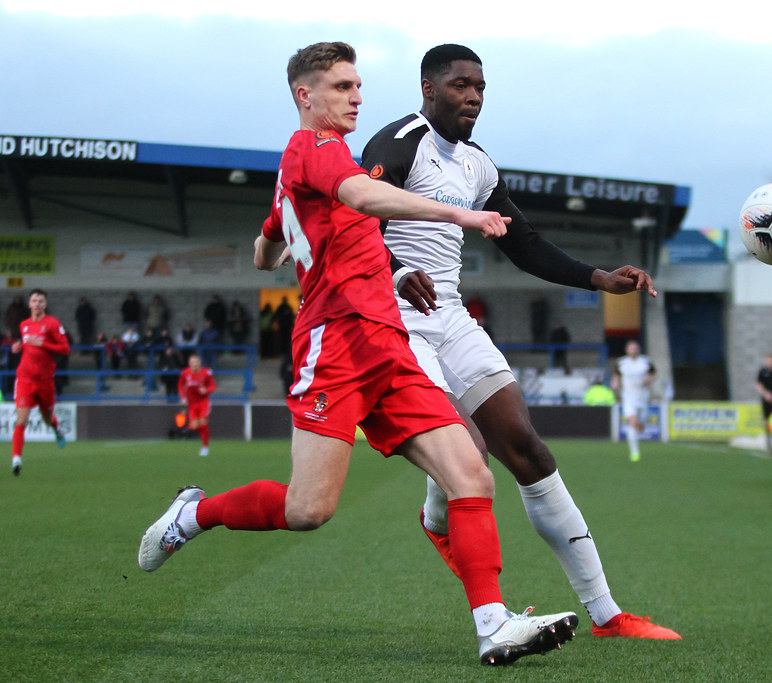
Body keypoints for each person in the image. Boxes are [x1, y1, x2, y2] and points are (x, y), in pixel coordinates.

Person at [137, 42, 577, 667]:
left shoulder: (318, 165)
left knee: (470, 474)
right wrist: (461, 215)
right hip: (335, 344)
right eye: (343, 86)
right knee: (308, 509)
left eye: (358, 85)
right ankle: (193, 515)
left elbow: (264, 249)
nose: (357, 97)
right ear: (305, 96)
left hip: (389, 346)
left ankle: (493, 623)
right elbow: (366, 200)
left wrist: (288, 240)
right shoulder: (310, 150)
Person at [360, 43, 678, 640]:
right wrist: (399, 268)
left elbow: (524, 243)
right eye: (460, 85)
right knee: (468, 452)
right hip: (395, 319)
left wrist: (598, 278)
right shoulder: (398, 144)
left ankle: (608, 615)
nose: (473, 96)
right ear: (428, 88)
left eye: (480, 86)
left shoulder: (478, 164)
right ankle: (470, 575)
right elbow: (355, 223)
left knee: (528, 449)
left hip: (450, 317)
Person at [9, 289, 69, 476]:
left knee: (47, 418)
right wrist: (17, 348)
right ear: (29, 304)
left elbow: (65, 348)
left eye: (40, 301)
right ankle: (16, 459)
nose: (37, 304)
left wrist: (42, 344)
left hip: (45, 381)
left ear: (45, 304)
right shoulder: (24, 325)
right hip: (25, 379)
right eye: (34, 301)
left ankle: (57, 429)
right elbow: (26, 345)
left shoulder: (52, 324)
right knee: (22, 420)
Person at [611, 340, 656, 462]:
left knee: (640, 425)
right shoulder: (621, 363)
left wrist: (649, 380)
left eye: (635, 348)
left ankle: (639, 427)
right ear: (627, 350)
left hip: (643, 396)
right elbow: (617, 375)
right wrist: (615, 383)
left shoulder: (645, 362)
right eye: (631, 348)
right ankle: (634, 452)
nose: (633, 351)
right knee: (633, 421)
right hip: (628, 396)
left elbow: (653, 374)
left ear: (639, 350)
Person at [178, 352, 215, 456]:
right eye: (192, 362)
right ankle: (204, 433)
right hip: (192, 403)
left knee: (203, 423)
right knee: (194, 427)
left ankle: (205, 447)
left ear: (200, 363)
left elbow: (213, 386)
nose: (194, 364)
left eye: (196, 362)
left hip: (204, 402)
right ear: (189, 363)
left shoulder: (205, 373)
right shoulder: (185, 373)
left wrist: (206, 390)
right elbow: (180, 385)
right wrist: (183, 397)